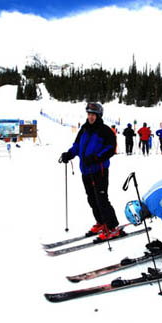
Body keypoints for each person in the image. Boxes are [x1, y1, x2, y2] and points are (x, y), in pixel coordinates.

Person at [60, 102, 120, 240]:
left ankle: (112, 227)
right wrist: (69, 154)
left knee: (102, 199)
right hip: (86, 171)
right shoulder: (84, 129)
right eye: (89, 114)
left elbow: (111, 149)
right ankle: (101, 222)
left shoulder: (105, 131)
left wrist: (96, 158)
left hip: (99, 170)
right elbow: (77, 145)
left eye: (93, 114)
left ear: (98, 116)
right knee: (92, 199)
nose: (90, 117)